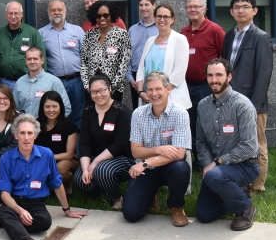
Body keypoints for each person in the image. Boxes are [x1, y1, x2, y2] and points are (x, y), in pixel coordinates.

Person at [0, 114, 87, 240]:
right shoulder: (6, 159)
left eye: (30, 133)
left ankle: (0, 220)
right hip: (14, 201)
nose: (26, 137)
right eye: (22, 133)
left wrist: (67, 210)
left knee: (45, 221)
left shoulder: (47, 155)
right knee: (6, 211)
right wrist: (20, 211)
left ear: (36, 135)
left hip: (36, 203)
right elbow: (5, 195)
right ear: (16, 135)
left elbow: (56, 183)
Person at [195, 59, 260, 231]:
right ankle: (232, 194)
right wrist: (209, 164)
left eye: (219, 75)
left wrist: (216, 164)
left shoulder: (242, 105)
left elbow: (249, 147)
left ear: (229, 77)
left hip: (244, 166)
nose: (214, 80)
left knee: (214, 176)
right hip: (216, 171)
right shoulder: (203, 106)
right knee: (204, 215)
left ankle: (245, 208)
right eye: (210, 75)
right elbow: (200, 141)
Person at [122, 72, 192, 227]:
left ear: (168, 89)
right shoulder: (138, 114)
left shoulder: (180, 113)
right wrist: (160, 149)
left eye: (158, 89)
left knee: (181, 167)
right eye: (150, 90)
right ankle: (151, 193)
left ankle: (176, 206)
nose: (154, 94)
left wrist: (146, 163)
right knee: (131, 214)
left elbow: (179, 154)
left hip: (170, 167)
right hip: (149, 170)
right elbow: (136, 151)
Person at [222, 0, 273, 194]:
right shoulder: (229, 36)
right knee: (235, 143)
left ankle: (257, 186)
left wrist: (256, 104)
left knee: (257, 144)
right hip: (231, 100)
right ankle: (241, 180)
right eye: (236, 7)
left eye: (245, 6)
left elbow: (264, 73)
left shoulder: (261, 37)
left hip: (252, 102)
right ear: (231, 12)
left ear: (254, 10)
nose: (240, 10)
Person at [75, 74, 134, 210]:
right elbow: (84, 143)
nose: (98, 95)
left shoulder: (123, 112)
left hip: (122, 158)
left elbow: (120, 145)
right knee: (80, 180)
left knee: (102, 170)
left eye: (102, 90)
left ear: (110, 89)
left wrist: (95, 163)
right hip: (96, 156)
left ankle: (116, 197)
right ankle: (104, 187)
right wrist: (85, 169)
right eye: (94, 92)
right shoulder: (88, 112)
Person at [180, 0, 225, 170]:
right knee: (189, 122)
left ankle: (210, 159)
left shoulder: (215, 30)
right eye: (189, 6)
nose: (192, 9)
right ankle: (196, 160)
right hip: (185, 87)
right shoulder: (183, 32)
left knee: (205, 123)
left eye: (196, 6)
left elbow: (225, 59)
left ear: (204, 9)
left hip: (205, 87)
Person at [38, 0, 85, 127]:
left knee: (78, 115)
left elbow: (85, 56)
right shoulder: (41, 33)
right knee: (55, 115)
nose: (56, 12)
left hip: (77, 81)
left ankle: (75, 147)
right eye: (53, 10)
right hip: (55, 81)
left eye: (60, 10)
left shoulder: (77, 31)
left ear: (65, 11)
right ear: (48, 12)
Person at [135, 3, 191, 110]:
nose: (162, 19)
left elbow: (179, 73)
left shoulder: (180, 39)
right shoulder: (150, 41)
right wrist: (141, 92)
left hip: (171, 98)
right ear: (155, 18)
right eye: (159, 16)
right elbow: (141, 69)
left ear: (172, 20)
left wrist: (160, 94)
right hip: (149, 99)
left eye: (166, 17)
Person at [80, 0, 131, 104]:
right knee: (94, 118)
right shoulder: (89, 35)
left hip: (114, 90)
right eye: (98, 16)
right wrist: (87, 85)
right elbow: (83, 63)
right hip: (93, 91)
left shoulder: (122, 35)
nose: (102, 18)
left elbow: (124, 64)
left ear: (112, 16)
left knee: (111, 119)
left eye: (105, 15)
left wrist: (111, 86)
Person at [0, 1, 46, 90]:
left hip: (28, 82)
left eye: (16, 13)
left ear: (22, 14)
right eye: (10, 13)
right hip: (4, 83)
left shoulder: (33, 33)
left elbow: (42, 57)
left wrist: (42, 82)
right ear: (6, 14)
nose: (13, 16)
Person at [34, 91, 80, 194]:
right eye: (47, 107)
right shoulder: (35, 125)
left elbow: (69, 155)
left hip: (65, 160)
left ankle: (66, 184)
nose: (51, 110)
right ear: (42, 107)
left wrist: (48, 157)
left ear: (60, 107)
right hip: (41, 159)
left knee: (60, 168)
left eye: (55, 106)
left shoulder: (70, 126)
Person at [13, 47, 70, 120]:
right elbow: (14, 108)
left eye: (35, 59)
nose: (32, 62)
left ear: (42, 60)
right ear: (25, 61)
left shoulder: (54, 81)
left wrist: (53, 126)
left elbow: (66, 108)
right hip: (25, 128)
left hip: (46, 129)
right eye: (29, 59)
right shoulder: (20, 82)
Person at [127, 0, 158, 104]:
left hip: (156, 76)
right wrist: (130, 78)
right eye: (141, 5)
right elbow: (127, 56)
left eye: (147, 5)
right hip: (136, 78)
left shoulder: (161, 29)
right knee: (138, 112)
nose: (143, 8)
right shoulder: (132, 30)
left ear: (154, 6)